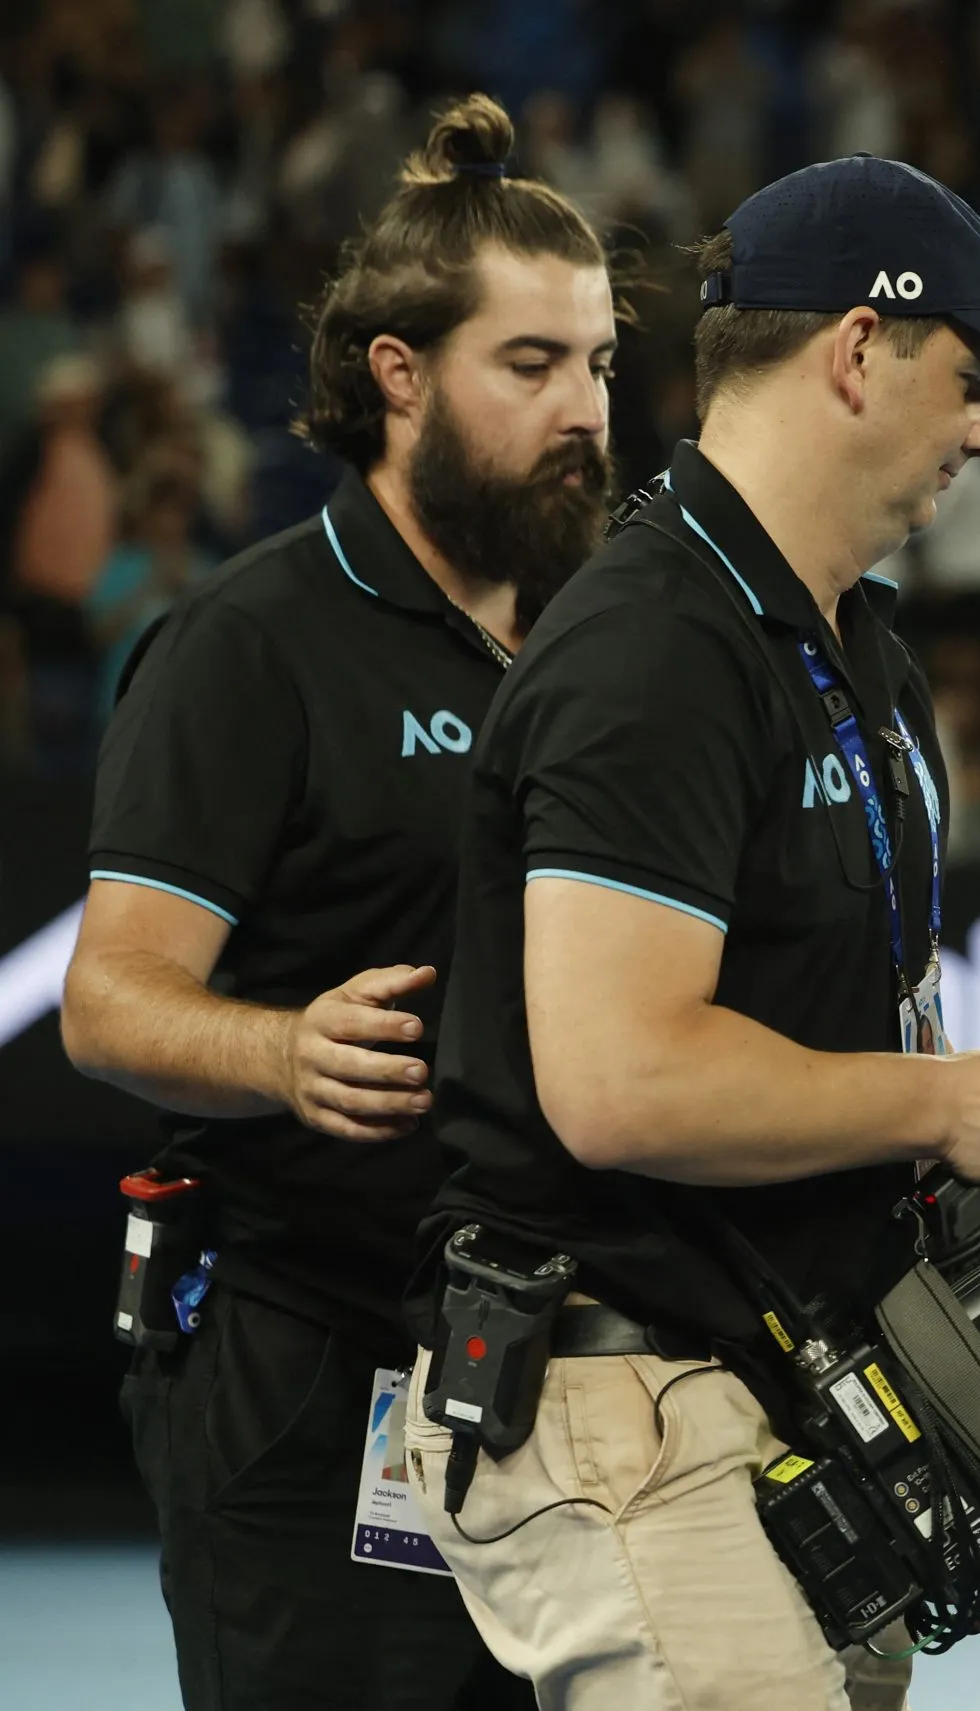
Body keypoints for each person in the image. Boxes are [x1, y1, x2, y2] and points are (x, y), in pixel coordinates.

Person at [401, 155, 980, 1711]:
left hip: (795, 1390)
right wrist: (949, 1101)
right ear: (860, 352)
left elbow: (868, 1018)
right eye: (974, 374)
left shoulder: (859, 651)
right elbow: (620, 1083)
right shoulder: (655, 646)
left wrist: (973, 1142)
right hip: (618, 1397)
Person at [57, 94, 616, 1709]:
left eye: (597, 363)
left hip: (568, 1379)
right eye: (530, 365)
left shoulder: (607, 637)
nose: (581, 407)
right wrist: (282, 1048)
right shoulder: (250, 644)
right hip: (303, 1376)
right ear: (399, 375)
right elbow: (111, 996)